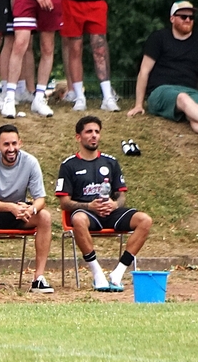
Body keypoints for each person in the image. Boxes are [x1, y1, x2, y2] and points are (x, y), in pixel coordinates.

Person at [55, 116, 153, 291]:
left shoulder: (111, 162)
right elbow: (64, 203)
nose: (94, 135)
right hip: (87, 213)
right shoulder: (69, 165)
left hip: (111, 212)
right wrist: (89, 206)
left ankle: (118, 273)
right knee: (78, 219)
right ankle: (97, 273)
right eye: (89, 132)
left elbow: (121, 195)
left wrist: (115, 204)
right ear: (78, 137)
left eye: (97, 132)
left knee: (145, 220)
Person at [0, 124, 53, 295]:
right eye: (6, 144)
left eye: (14, 143)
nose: (11, 149)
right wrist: (11, 207)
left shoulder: (30, 162)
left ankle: (38, 278)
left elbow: (41, 199)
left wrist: (31, 209)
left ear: (20, 143)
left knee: (45, 216)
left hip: (19, 212)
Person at [127, 0, 198, 132]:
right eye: (183, 17)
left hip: (190, 91)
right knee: (183, 98)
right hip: (161, 91)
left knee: (193, 118)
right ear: (172, 19)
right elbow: (144, 71)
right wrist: (138, 105)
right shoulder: (159, 38)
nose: (188, 20)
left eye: (191, 17)